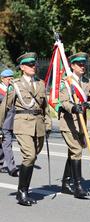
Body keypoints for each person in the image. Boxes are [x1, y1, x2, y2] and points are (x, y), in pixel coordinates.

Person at [0, 52, 52, 206]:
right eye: (29, 65)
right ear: (22, 67)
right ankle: (23, 192)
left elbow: (45, 107)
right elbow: (5, 107)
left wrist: (48, 123)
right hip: (22, 123)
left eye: (34, 64)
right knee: (29, 156)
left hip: (39, 124)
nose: (33, 67)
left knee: (33, 156)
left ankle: (23, 189)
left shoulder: (40, 83)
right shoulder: (15, 85)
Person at [58, 52, 90, 199]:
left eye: (84, 64)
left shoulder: (87, 82)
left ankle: (66, 183)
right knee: (76, 151)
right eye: (79, 64)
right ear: (73, 66)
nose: (82, 67)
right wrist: (74, 108)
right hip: (69, 122)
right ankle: (78, 186)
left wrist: (88, 104)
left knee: (73, 151)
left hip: (82, 123)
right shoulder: (66, 82)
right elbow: (63, 101)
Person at [0, 69, 18, 177]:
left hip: (12, 121)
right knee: (7, 143)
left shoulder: (12, 89)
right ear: (2, 79)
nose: (11, 80)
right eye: (8, 78)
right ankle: (12, 168)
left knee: (3, 143)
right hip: (2, 121)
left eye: (12, 78)